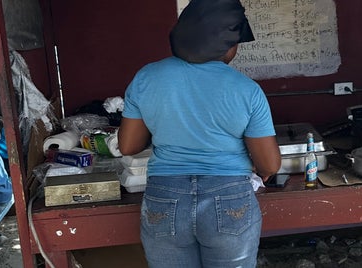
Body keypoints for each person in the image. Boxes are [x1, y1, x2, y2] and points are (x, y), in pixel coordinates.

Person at [117, 0, 281, 267]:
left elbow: (129, 145)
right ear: (227, 44)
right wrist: (259, 169)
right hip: (229, 197)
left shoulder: (147, 77)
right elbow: (270, 164)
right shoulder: (247, 90)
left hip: (165, 197)